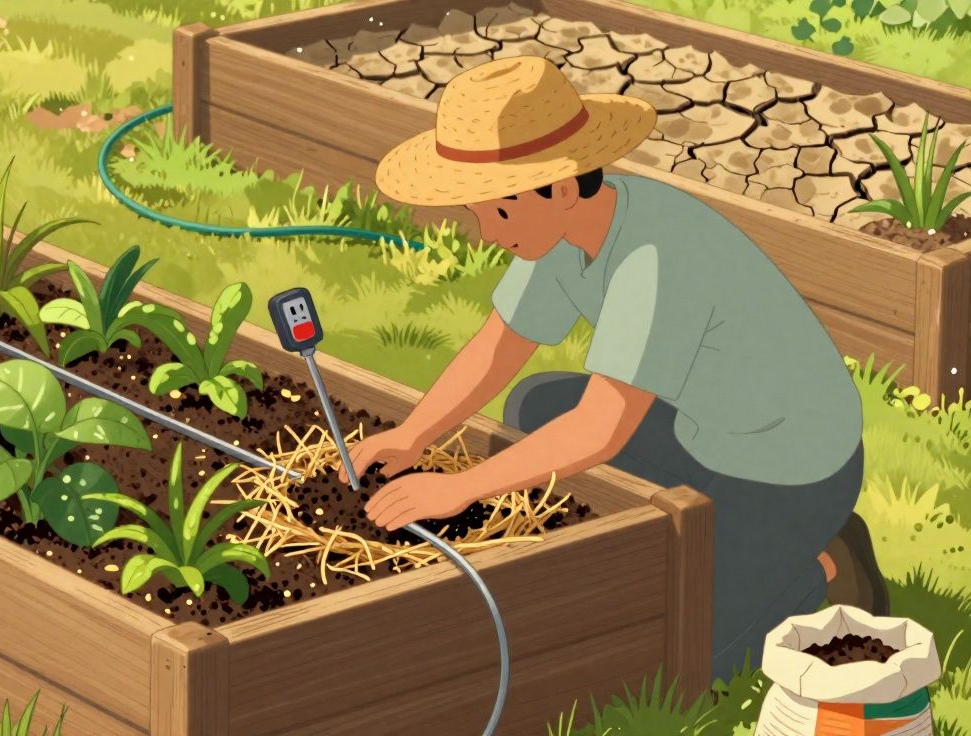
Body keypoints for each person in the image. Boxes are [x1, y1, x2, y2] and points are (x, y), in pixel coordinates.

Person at [348, 55, 888, 680]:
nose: (486, 233)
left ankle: (822, 562)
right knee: (534, 404)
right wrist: (412, 434)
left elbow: (602, 429)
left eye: (495, 212)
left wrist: (460, 487)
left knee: (681, 660)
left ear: (555, 186)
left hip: (792, 469)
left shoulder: (656, 256)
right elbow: (500, 344)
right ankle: (725, 538)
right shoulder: (559, 232)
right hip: (701, 430)